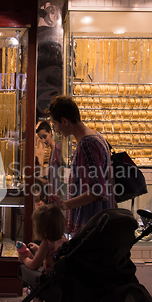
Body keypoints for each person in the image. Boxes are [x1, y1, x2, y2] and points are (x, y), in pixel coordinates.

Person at [48, 95, 116, 236]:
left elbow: (96, 190)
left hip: (91, 225)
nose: (56, 130)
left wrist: (67, 204)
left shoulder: (87, 144)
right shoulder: (96, 137)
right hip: (99, 221)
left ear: (64, 121)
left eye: (55, 125)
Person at [18, 204, 67, 272]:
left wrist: (24, 259)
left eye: (35, 225)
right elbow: (53, 253)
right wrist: (38, 248)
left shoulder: (46, 243)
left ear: (42, 228)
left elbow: (34, 265)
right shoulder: (63, 238)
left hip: (50, 279)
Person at [36, 121, 62, 198]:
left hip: (58, 194)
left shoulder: (58, 150)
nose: (44, 140)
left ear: (50, 133)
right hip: (53, 193)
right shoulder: (53, 150)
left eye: (45, 136)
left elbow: (61, 175)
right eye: (41, 138)